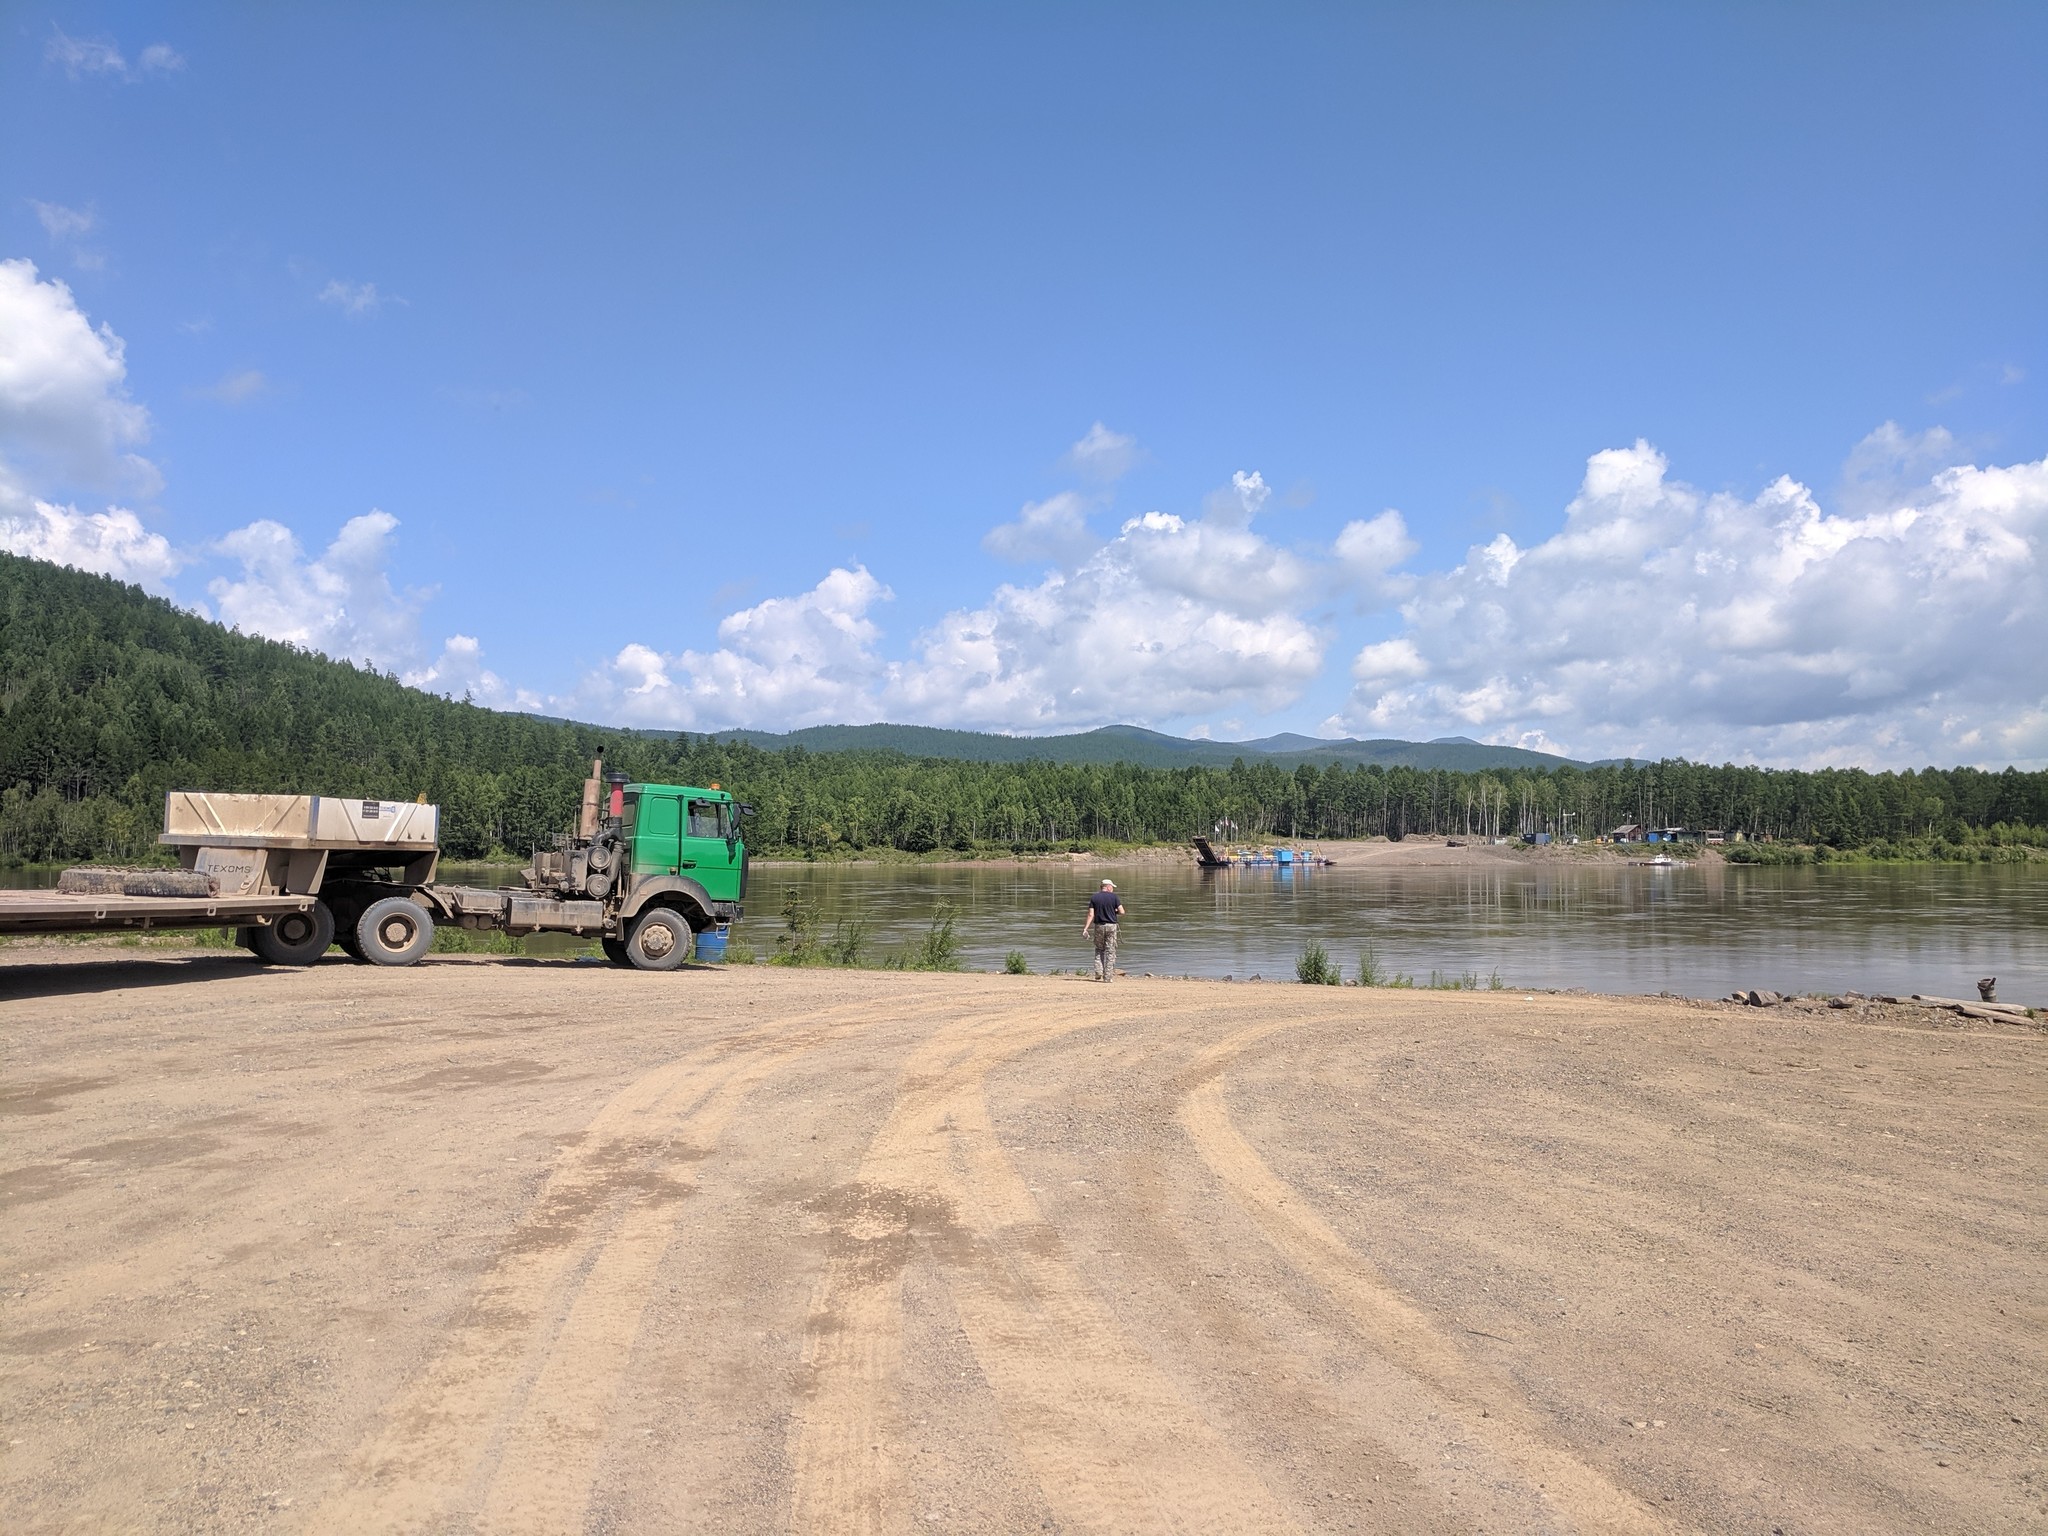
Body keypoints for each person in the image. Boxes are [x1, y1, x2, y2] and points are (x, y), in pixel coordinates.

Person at [1083, 878, 1124, 982]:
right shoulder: (1114, 897)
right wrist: (1115, 911)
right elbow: (1122, 911)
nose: (1113, 890)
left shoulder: (1094, 897)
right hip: (1111, 926)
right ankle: (1108, 977)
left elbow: (1091, 914)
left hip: (1099, 926)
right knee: (1110, 951)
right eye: (1112, 887)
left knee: (1099, 949)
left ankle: (1098, 971)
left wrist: (1085, 928)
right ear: (1109, 887)